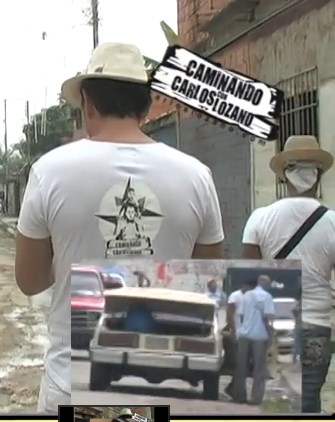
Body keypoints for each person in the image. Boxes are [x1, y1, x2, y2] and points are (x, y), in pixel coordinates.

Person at [14, 42, 225, 412]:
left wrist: (75, 259)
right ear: (145, 107)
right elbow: (208, 285)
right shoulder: (197, 176)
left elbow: (29, 280)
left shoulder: (49, 171)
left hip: (75, 388)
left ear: (88, 103)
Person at [241, 135, 335, 412]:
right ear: (318, 178)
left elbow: (249, 278)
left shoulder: (259, 218)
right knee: (308, 403)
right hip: (316, 325)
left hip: (273, 324)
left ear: (284, 178)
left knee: (275, 403)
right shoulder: (332, 222)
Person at [233, 275, 274, 405]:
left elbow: (241, 314)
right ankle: (256, 399)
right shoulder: (267, 297)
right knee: (259, 369)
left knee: (241, 367)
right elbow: (268, 317)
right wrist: (271, 335)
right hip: (260, 337)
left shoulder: (246, 295)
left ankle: (239, 396)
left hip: (244, 335)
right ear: (265, 283)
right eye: (269, 283)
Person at [224, 278, 257, 399]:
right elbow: (229, 314)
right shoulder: (235, 296)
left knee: (243, 365)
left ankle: (234, 389)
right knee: (240, 364)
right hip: (238, 335)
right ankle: (237, 392)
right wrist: (232, 331)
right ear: (246, 286)